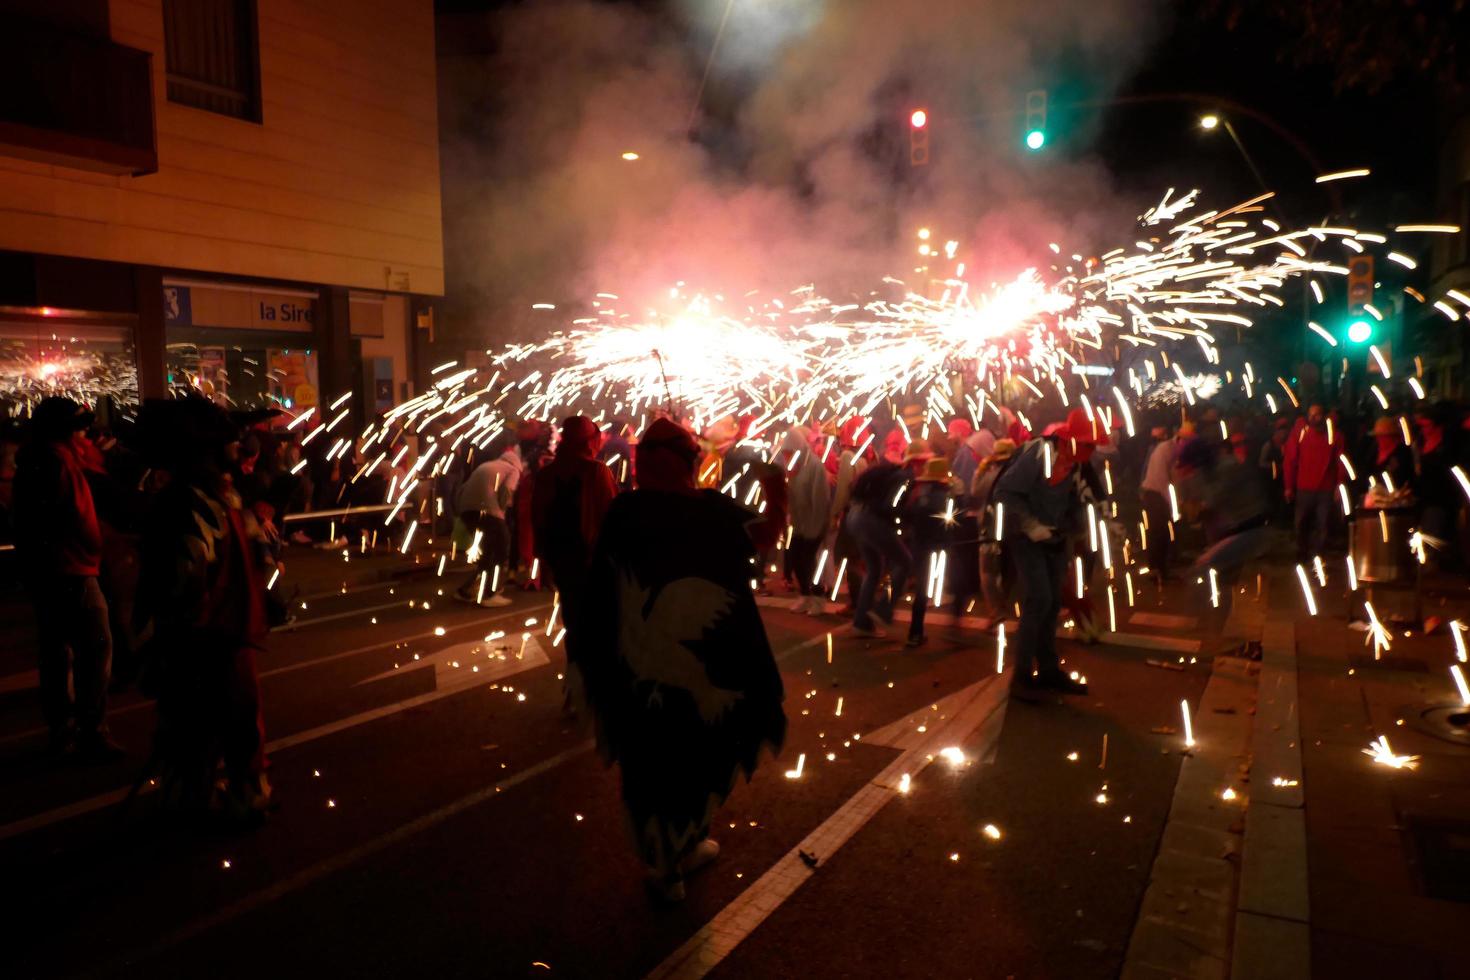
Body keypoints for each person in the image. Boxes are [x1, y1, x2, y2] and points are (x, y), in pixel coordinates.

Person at [571, 418, 786, 902]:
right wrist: (775, 484)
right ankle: (672, 859)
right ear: (689, 462)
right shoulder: (712, 510)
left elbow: (598, 575)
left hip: (637, 662)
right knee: (697, 748)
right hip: (698, 662)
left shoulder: (626, 510)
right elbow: (768, 535)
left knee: (651, 755)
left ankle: (675, 851)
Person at [135, 397, 272, 820]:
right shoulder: (188, 503)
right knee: (209, 722)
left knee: (235, 721)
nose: (239, 444)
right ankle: (206, 798)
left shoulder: (220, 495)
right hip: (208, 636)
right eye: (228, 440)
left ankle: (232, 793)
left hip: (230, 629)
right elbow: (184, 576)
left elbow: (252, 552)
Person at [12, 397, 123, 761]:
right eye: (78, 426)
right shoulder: (61, 462)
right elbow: (78, 518)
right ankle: (93, 730)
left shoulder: (32, 461)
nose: (85, 433)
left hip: (45, 571)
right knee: (96, 647)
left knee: (56, 654)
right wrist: (100, 547)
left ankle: (62, 732)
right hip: (74, 569)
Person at [993, 409, 1098, 696]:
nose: (1092, 451)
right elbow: (1004, 493)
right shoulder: (1038, 455)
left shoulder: (1075, 465)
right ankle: (1022, 677)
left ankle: (1049, 669)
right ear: (1068, 440)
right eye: (1087, 444)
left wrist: (1085, 526)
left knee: (1052, 604)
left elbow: (1074, 503)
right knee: (1039, 599)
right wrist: (1031, 525)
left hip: (1053, 540)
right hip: (1025, 538)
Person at [1175, 437, 1270, 636]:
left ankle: (1202, 627)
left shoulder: (1225, 468)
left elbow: (1211, 500)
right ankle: (1223, 628)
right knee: (1225, 580)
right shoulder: (1219, 465)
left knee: (1201, 569)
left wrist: (1193, 482)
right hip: (1239, 530)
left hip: (1249, 530)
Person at [530, 416, 617, 623]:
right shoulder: (597, 471)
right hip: (590, 559)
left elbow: (538, 518)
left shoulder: (546, 474)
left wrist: (543, 558)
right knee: (597, 621)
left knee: (572, 616)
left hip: (559, 557)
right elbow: (612, 516)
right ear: (589, 442)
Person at [845, 439, 930, 636]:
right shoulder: (905, 477)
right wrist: (912, 516)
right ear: (916, 462)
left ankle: (861, 623)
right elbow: (891, 506)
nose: (926, 466)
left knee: (875, 569)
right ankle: (883, 611)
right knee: (905, 562)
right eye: (924, 462)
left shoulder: (893, 473)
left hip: (856, 516)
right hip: (870, 520)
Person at [455, 443, 523, 606]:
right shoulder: (513, 470)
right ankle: (489, 593)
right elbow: (506, 491)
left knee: (487, 554)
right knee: (501, 549)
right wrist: (502, 514)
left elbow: (461, 489)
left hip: (467, 511)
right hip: (488, 511)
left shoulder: (487, 465)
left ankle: (465, 591)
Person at [900, 457, 956, 647]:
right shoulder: (946, 498)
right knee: (932, 588)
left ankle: (915, 633)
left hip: (919, 547)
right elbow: (949, 525)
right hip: (937, 548)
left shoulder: (919, 496)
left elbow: (907, 517)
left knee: (921, 592)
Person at [780, 425, 832, 614]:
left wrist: (817, 526)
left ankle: (818, 598)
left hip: (813, 523)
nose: (787, 455)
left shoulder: (814, 466)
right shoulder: (793, 467)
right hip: (799, 523)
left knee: (812, 562)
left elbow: (820, 499)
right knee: (797, 559)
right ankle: (805, 595)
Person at [1283, 404, 1343, 562]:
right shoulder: (1300, 434)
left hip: (1325, 488)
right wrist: (1289, 486)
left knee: (1323, 525)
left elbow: (1340, 462)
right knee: (1301, 524)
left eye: (1317, 415)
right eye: (1311, 415)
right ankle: (1302, 553)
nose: (1313, 418)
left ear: (1324, 416)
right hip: (1304, 488)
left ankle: (1318, 556)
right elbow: (1290, 460)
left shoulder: (1334, 436)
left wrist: (1339, 485)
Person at [971, 438, 1017, 621]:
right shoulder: (1018, 475)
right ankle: (1005, 603)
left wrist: (981, 469)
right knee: (1010, 569)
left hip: (989, 528)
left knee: (987, 571)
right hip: (1012, 528)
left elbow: (975, 491)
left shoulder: (989, 475)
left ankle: (996, 611)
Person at [1139, 424, 1177, 579]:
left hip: (1156, 493)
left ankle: (1161, 568)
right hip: (1155, 493)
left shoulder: (1169, 448)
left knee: (1163, 533)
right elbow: (1162, 480)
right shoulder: (1165, 450)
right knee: (1158, 533)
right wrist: (1174, 506)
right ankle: (1156, 570)